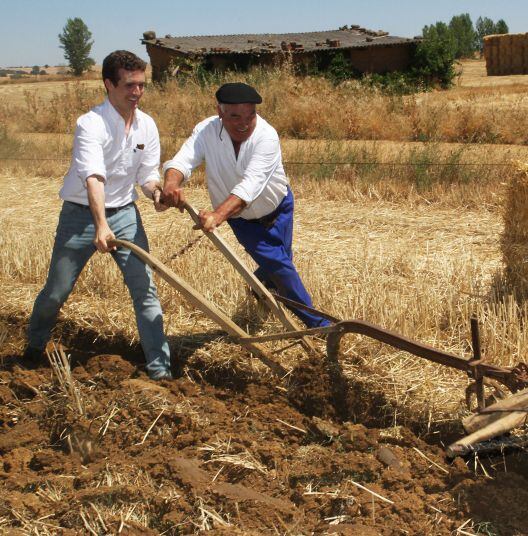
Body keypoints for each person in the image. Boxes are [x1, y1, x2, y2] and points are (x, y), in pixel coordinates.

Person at [23, 50, 172, 380]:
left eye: (141, 86)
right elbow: (94, 178)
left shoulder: (147, 125)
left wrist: (156, 194)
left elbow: (146, 176)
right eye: (129, 86)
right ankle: (33, 346)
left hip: (125, 214)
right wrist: (100, 225)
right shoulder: (90, 124)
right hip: (80, 217)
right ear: (108, 84)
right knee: (57, 291)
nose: (137, 93)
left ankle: (161, 371)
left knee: (144, 291)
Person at [161, 82, 329, 329]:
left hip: (280, 207)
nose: (244, 123)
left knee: (282, 260)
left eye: (250, 115)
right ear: (219, 112)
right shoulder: (206, 131)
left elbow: (251, 184)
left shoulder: (266, 135)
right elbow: (183, 160)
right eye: (234, 116)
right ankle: (319, 325)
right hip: (243, 221)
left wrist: (217, 215)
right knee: (281, 267)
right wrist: (171, 182)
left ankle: (260, 283)